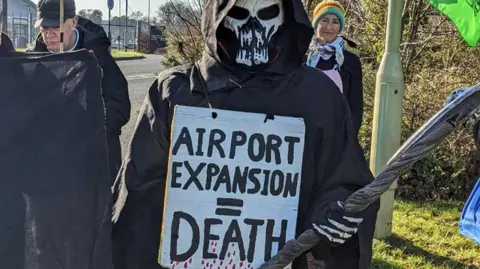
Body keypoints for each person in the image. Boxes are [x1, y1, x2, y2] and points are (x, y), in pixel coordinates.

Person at [111, 0, 379, 269]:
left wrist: (334, 210)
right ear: (219, 18)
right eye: (239, 14)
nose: (254, 28)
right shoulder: (176, 92)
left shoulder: (316, 95)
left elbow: (342, 173)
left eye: (267, 14)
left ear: (286, 17)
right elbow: (140, 188)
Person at [27, 0, 131, 182]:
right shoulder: (33, 60)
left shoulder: (98, 56)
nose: (48, 35)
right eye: (43, 28)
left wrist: (91, 129)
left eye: (55, 27)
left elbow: (120, 105)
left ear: (73, 22)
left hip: (92, 162)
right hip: (49, 165)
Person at [305, 0, 364, 136]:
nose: (329, 27)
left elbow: (356, 106)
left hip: (336, 133)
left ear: (340, 27)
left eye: (335, 22)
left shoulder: (350, 61)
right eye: (324, 20)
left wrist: (348, 136)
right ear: (316, 24)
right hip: (303, 131)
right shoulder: (302, 57)